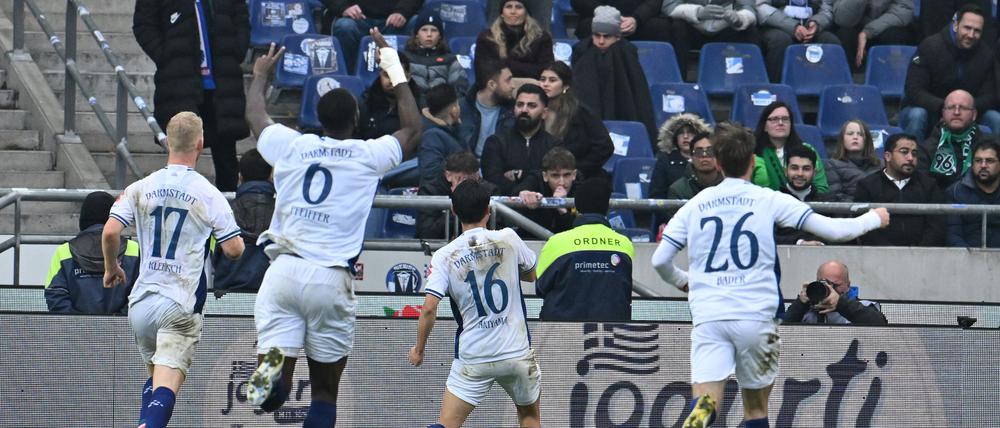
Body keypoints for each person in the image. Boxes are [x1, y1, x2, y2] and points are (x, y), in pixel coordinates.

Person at [651, 122, 890, 428]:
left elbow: (660, 260)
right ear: (753, 162)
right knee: (755, 410)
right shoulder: (767, 199)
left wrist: (683, 281)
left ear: (719, 163)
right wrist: (874, 218)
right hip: (755, 320)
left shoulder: (695, 205)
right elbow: (834, 230)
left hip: (711, 318)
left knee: (706, 405)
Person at [242, 31, 422, 426]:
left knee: (275, 371)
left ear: (317, 119)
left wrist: (260, 75)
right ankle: (284, 388)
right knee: (324, 392)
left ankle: (270, 383)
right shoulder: (367, 154)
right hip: (329, 278)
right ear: (356, 120)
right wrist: (393, 66)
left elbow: (256, 117)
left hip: (284, 273)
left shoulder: (293, 146)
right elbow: (412, 130)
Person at [102, 111, 246, 428]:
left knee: (157, 380)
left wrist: (111, 268)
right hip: (179, 302)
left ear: (168, 142)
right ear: (201, 143)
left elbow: (111, 232)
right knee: (166, 385)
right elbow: (234, 249)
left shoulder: (140, 187)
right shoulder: (208, 193)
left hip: (141, 303)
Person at [409, 179, 542, 428]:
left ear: (453, 210)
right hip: (516, 353)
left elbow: (429, 308)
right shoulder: (508, 238)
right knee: (529, 418)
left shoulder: (445, 256)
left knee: (446, 425)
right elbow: (531, 275)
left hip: (474, 356)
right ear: (488, 209)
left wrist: (419, 349)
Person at [133, 0, 249, 191]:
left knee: (226, 155)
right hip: (180, 82)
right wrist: (165, 55)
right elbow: (143, 25)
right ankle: (178, 201)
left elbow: (241, 17)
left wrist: (237, 49)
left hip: (221, 82)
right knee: (182, 153)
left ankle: (227, 205)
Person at [536, 175, 634, 321]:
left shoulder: (556, 242)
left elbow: (540, 288)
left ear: (576, 207)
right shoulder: (624, 244)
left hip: (561, 331)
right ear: (607, 208)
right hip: (612, 331)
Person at [900, 4, 1000, 142]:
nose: (971, 35)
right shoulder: (930, 47)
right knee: (917, 115)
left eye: (977, 31)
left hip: (969, 113)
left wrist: (964, 109)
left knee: (995, 118)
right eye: (967, 28)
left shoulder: (986, 55)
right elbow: (914, 90)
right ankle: (912, 153)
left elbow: (990, 96)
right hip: (930, 110)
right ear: (955, 25)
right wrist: (946, 107)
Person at [572, 5, 657, 143]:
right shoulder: (582, 53)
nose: (601, 41)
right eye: (596, 35)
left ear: (617, 37)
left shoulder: (627, 55)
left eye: (607, 36)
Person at [45, 191, 139, 314]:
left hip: (74, 326)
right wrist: (119, 321)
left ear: (83, 219)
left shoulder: (64, 251)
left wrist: (78, 322)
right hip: (125, 326)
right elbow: (141, 294)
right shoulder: (134, 250)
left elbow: (55, 294)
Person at [854, 134, 946, 246]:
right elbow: (865, 227)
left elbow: (936, 226)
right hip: (879, 253)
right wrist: (890, 252)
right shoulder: (867, 185)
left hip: (922, 253)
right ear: (888, 156)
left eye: (914, 153)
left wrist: (919, 251)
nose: (910, 158)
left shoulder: (929, 185)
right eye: (904, 152)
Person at [212, 149, 275, 296]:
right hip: (270, 294)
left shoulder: (224, 211)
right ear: (271, 176)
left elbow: (214, 256)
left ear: (240, 176)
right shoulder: (282, 213)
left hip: (226, 293)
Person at [538, 62, 614, 179]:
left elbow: (604, 146)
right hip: (543, 176)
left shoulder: (581, 113)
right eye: (542, 79)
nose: (545, 84)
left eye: (552, 80)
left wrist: (578, 171)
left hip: (579, 177)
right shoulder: (535, 110)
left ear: (565, 86)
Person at [481, 84, 558, 196]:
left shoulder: (554, 146)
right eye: (520, 104)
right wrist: (522, 191)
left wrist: (520, 175)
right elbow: (492, 181)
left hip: (543, 204)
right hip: (504, 205)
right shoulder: (496, 142)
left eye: (531, 106)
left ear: (544, 113)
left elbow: (556, 180)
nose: (524, 110)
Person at [663, 0, 759, 81]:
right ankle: (676, 84)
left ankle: (747, 86)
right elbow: (670, 6)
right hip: (691, 25)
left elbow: (749, 8)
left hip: (725, 25)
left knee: (750, 31)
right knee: (675, 27)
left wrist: (739, 17)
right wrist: (698, 12)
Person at [917, 90, 990, 191]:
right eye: (951, 107)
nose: (956, 112)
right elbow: (922, 188)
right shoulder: (926, 149)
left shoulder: (989, 147)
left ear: (974, 115)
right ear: (943, 113)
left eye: (963, 108)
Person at [416, 151, 494, 240]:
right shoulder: (429, 191)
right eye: (461, 178)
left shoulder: (489, 191)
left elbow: (497, 227)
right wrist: (459, 200)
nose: (467, 184)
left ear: (477, 175)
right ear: (448, 175)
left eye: (471, 179)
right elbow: (427, 233)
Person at [756, 0, 841, 83]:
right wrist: (792, 26)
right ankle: (774, 88)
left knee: (831, 41)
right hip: (776, 26)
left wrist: (817, 23)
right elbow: (761, 7)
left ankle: (833, 89)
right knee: (780, 40)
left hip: (809, 27)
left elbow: (826, 9)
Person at [753, 101, 829, 192]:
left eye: (785, 119)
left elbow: (821, 188)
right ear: (764, 126)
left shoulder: (806, 150)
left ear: (791, 124)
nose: (780, 123)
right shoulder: (753, 154)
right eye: (774, 119)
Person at [329, 0, 422, 72]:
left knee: (417, 23)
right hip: (356, 18)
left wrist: (402, 11)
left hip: (394, 21)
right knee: (344, 26)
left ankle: (409, 77)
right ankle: (350, 79)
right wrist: (344, 7)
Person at [784, 261, 888, 325]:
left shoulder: (864, 306)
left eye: (836, 285)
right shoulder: (807, 310)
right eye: (826, 284)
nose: (831, 290)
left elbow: (881, 325)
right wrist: (800, 304)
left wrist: (841, 303)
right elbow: (780, 332)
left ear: (848, 284)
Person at [475, 0, 555, 82]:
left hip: (531, 87)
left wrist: (506, 64)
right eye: (508, 7)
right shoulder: (487, 38)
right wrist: (526, 67)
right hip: (496, 87)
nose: (513, 12)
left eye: (519, 7)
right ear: (502, 13)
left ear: (526, 13)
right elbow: (483, 72)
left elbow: (545, 72)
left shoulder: (541, 38)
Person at [944, 138, 1000, 247]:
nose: (983, 165)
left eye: (989, 161)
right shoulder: (955, 192)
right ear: (972, 164)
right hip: (968, 255)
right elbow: (953, 235)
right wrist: (971, 257)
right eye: (978, 161)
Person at [659, 132, 723, 226]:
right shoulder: (678, 190)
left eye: (710, 151)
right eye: (698, 152)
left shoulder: (730, 185)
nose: (704, 155)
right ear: (691, 157)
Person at [832, 0, 917, 70]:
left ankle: (891, 77)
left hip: (888, 26)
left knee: (894, 35)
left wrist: (868, 31)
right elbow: (841, 19)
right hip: (858, 26)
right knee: (845, 34)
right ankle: (851, 81)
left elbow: (903, 11)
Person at [515, 147, 581, 236]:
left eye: (566, 175)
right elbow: (518, 191)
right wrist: (525, 194)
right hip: (532, 240)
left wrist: (561, 209)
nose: (561, 182)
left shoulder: (581, 188)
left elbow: (579, 233)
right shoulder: (536, 179)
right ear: (545, 176)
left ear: (574, 175)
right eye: (555, 176)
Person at [402, 11, 470, 98]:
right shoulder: (404, 58)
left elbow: (460, 89)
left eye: (434, 30)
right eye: (424, 30)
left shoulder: (450, 60)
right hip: (412, 104)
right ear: (417, 34)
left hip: (442, 104)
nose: (429, 34)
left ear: (440, 36)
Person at [649, 113, 714, 204]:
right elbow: (657, 195)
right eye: (681, 133)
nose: (685, 136)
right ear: (675, 137)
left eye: (690, 132)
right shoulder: (665, 160)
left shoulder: (710, 158)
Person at [776, 145, 833, 245]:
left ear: (814, 173)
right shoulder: (774, 201)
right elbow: (767, 236)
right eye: (794, 168)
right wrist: (800, 242)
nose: (800, 173)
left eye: (806, 169)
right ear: (785, 171)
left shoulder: (828, 203)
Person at [459, 59, 517, 156]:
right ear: (492, 85)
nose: (513, 85)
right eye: (508, 80)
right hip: (467, 163)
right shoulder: (461, 107)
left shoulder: (513, 110)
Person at [418, 84, 469, 187]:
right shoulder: (432, 136)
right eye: (457, 104)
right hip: (444, 195)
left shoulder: (453, 133)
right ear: (454, 110)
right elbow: (430, 175)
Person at [824, 119, 883, 202]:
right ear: (842, 139)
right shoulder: (831, 165)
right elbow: (834, 199)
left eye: (860, 134)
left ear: (867, 140)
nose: (855, 137)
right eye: (850, 134)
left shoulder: (881, 164)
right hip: (850, 209)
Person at [572, 0, 673, 42]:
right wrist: (605, 13)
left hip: (639, 21)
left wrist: (636, 19)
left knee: (665, 27)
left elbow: (654, 2)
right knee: (587, 27)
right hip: (601, 17)